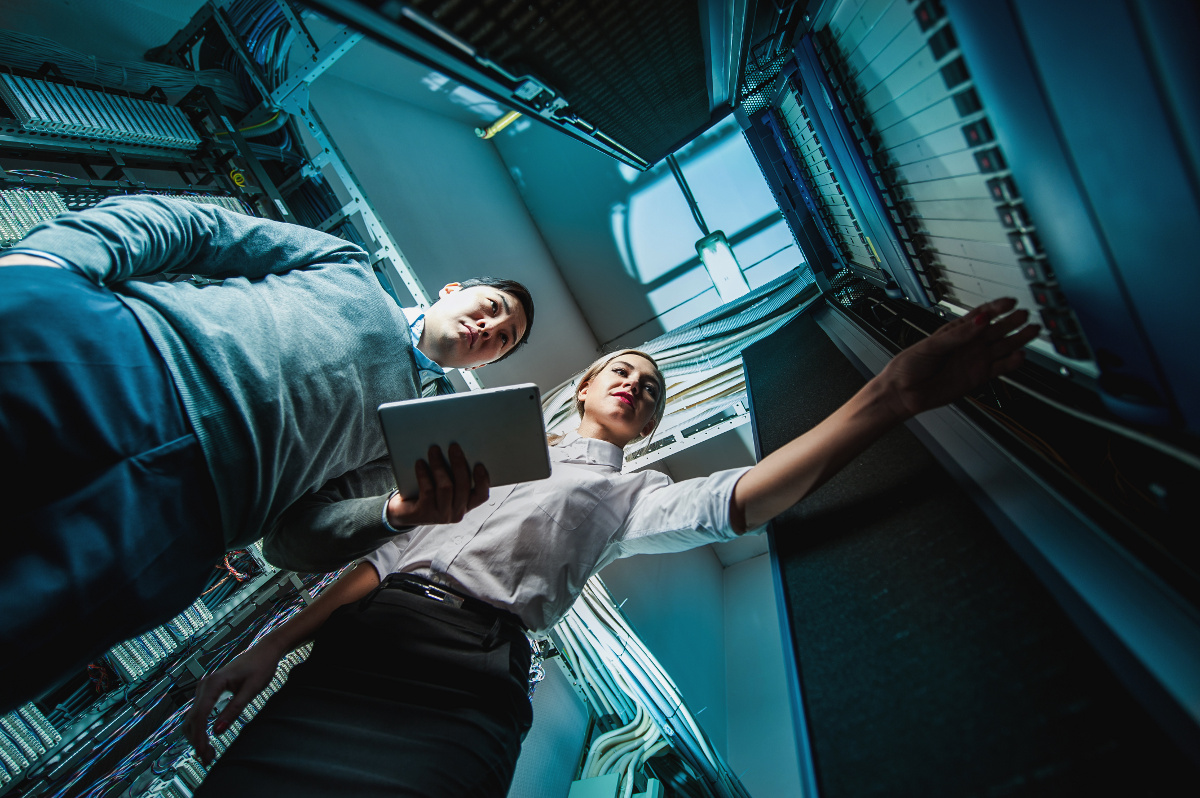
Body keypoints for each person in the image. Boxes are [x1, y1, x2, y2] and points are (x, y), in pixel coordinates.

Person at [183, 298, 1039, 797]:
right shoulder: (481, 440)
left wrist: (891, 395)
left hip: (468, 687)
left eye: (653, 389)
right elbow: (380, 566)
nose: (637, 382)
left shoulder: (635, 495)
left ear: (653, 421)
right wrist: (267, 648)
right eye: (624, 371)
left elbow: (743, 499)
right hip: (357, 660)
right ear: (588, 385)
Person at [0, 195, 535, 712]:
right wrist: (50, 261)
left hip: (176, 521)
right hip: (120, 358)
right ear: (452, 290)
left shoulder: (411, 441)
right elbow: (198, 229)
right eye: (492, 308)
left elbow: (289, 541)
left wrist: (394, 514)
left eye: (502, 340)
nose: (488, 329)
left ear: (486, 366)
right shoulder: (348, 267)